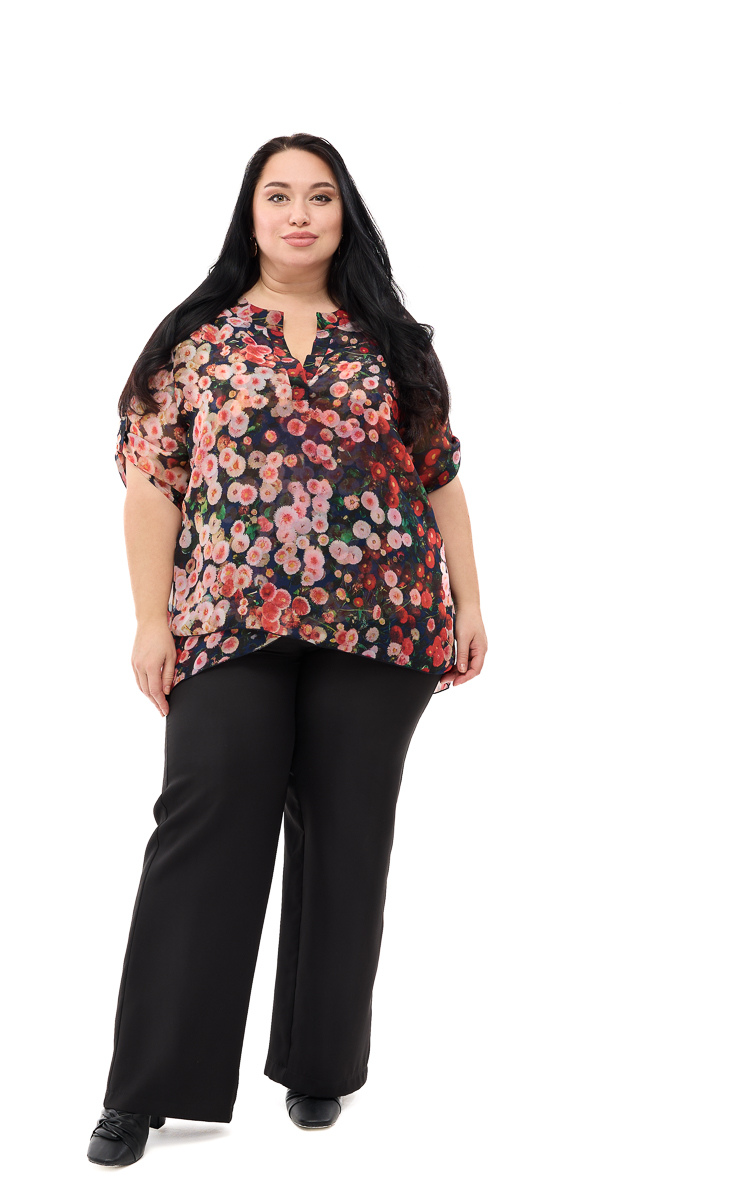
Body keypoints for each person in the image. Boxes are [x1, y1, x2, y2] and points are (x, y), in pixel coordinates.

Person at [87, 132, 487, 1168]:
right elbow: (152, 484)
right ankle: (147, 1087)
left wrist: (470, 601)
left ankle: (320, 1066)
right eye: (279, 196)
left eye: (319, 196)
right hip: (227, 615)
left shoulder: (393, 341)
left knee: (349, 831)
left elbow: (438, 473)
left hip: (384, 615)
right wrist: (150, 618)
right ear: (250, 212)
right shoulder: (197, 339)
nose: (299, 214)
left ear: (345, 214)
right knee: (206, 818)